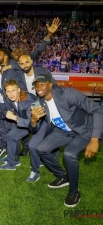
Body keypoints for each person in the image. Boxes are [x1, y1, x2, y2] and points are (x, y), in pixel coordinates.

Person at [30, 74, 103, 207]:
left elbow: (97, 110)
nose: (38, 87)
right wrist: (33, 120)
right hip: (63, 130)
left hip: (84, 130)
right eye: (36, 85)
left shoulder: (68, 93)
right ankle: (63, 176)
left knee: (69, 154)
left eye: (42, 83)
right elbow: (33, 129)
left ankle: (74, 191)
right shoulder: (37, 102)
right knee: (41, 148)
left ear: (51, 84)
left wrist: (94, 139)